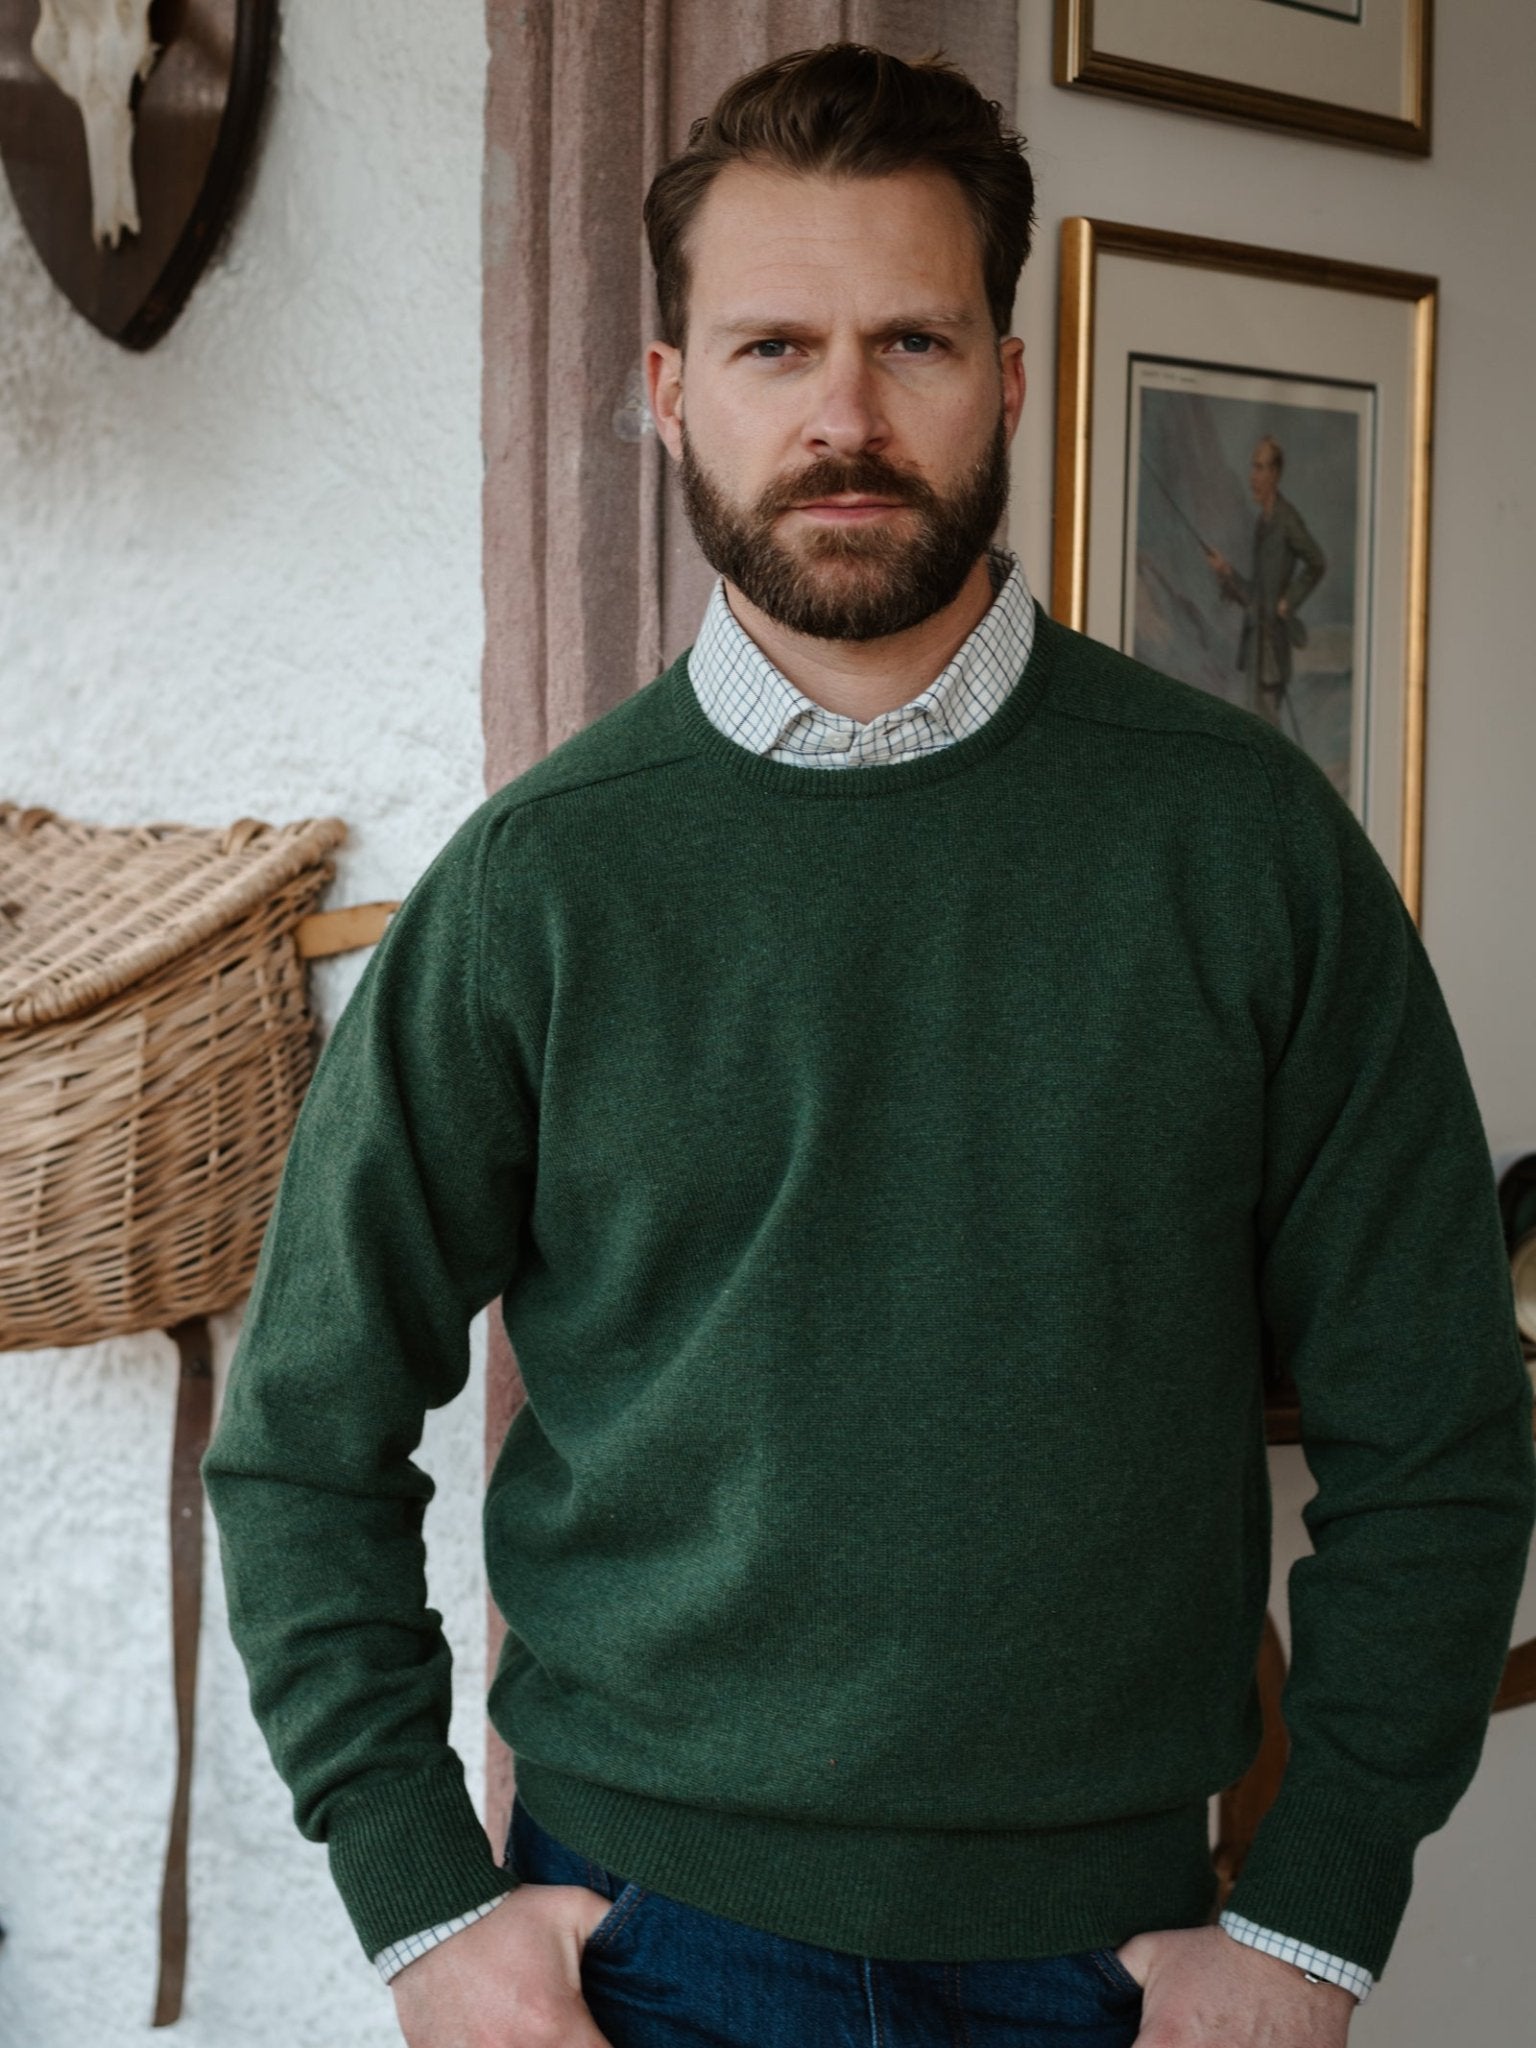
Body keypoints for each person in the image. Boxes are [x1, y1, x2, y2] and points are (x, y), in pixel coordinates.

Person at [202, 43, 1536, 2048]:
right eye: (772, 348)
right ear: (671, 397)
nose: (843, 415)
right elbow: (298, 1437)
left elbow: (1436, 1426)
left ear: (1010, 372)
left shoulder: (1247, 850)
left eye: (911, 338)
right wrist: (419, 1907)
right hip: (644, 1949)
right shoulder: (542, 888)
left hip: (1116, 1963)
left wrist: (1320, 1917)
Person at [1204, 437, 1327, 736]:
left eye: (1259, 469)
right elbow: (1255, 595)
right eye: (1252, 468)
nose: (1252, 477)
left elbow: (1317, 561)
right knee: (1259, 730)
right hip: (1256, 646)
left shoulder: (1286, 520)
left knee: (1268, 733)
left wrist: (1289, 601)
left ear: (1275, 474)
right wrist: (1226, 572)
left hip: (1272, 647)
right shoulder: (1263, 523)